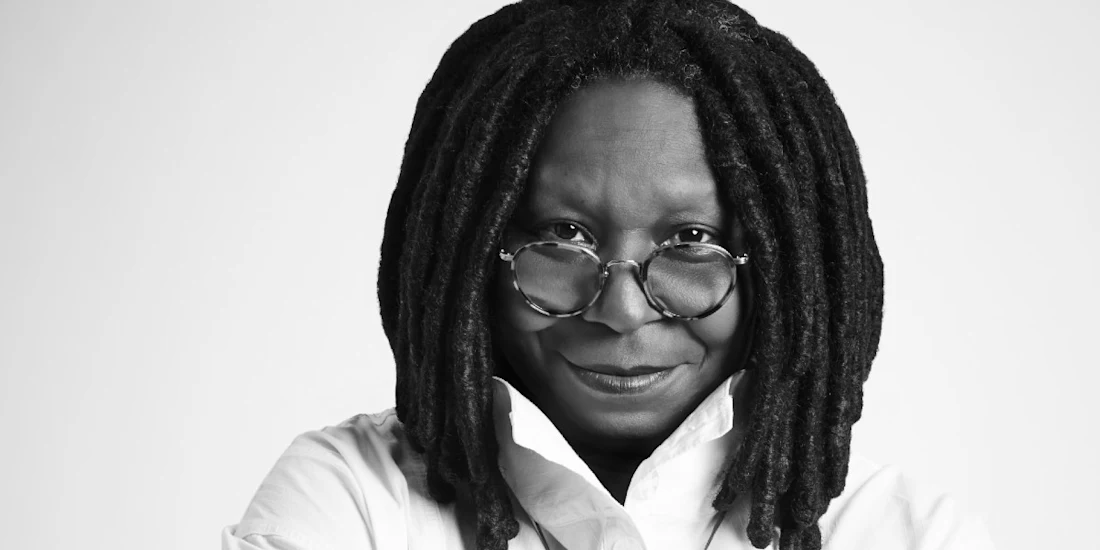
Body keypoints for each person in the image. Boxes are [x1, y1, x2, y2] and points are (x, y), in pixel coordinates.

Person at [223, 1, 994, 548]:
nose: (621, 309)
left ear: (784, 270)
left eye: (692, 239)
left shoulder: (903, 535)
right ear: (469, 254)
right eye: (564, 235)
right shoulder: (352, 500)